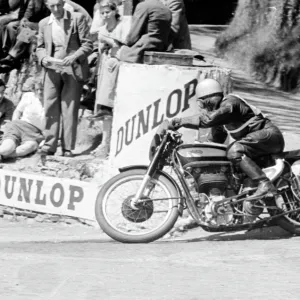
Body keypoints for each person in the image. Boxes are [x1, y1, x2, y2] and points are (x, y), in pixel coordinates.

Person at [168, 78, 285, 201]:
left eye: (201, 103)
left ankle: (264, 183)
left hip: (269, 136)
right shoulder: (222, 120)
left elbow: (208, 120)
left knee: (234, 151)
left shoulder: (231, 103)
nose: (202, 107)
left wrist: (180, 121)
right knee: (230, 166)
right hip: (256, 143)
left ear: (209, 99)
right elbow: (214, 143)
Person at [90, 0, 172, 119]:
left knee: (111, 60)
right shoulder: (165, 8)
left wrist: (115, 40)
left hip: (141, 50)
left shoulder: (144, 6)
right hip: (159, 48)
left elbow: (132, 37)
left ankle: (105, 106)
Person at [36, 0, 93, 157]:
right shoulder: (44, 23)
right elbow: (40, 47)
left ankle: (67, 147)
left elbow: (88, 45)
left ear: (63, 3)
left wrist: (74, 57)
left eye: (59, 5)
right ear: (47, 6)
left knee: (70, 108)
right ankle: (49, 144)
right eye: (52, 6)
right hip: (52, 68)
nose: (56, 9)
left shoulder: (77, 18)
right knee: (50, 106)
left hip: (72, 68)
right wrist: (43, 59)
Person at [0, 78, 45, 160]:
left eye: (42, 89)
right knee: (7, 148)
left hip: (35, 134)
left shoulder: (54, 102)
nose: (39, 92)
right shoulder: (28, 96)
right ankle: (3, 153)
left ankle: (3, 156)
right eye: (37, 89)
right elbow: (18, 111)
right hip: (19, 126)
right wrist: (13, 125)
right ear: (33, 89)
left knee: (28, 148)